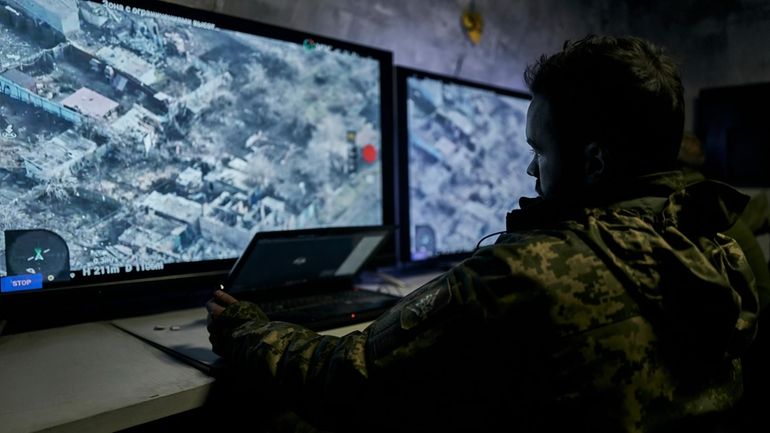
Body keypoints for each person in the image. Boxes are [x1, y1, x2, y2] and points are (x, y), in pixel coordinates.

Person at [207, 35, 759, 433]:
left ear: (593, 162)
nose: (530, 172)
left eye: (539, 151)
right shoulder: (724, 241)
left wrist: (244, 329)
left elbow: (348, 377)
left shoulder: (525, 271)